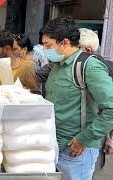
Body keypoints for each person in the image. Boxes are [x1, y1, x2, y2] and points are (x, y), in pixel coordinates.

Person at [41, 16, 113, 180]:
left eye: (48, 45)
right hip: (55, 144)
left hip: (76, 150)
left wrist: (84, 139)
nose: (44, 49)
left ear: (64, 43)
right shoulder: (57, 65)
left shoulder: (89, 66)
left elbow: (111, 108)